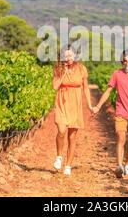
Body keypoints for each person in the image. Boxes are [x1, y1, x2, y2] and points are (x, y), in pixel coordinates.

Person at [92, 49, 128, 178]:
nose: (127, 62)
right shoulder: (117, 74)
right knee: (120, 137)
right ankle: (119, 166)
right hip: (121, 112)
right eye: (124, 60)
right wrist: (97, 106)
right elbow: (108, 92)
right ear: (122, 61)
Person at [52, 44, 93, 176]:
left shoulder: (81, 69)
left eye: (70, 55)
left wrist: (90, 105)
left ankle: (68, 165)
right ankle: (59, 156)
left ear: (75, 55)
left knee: (72, 136)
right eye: (66, 55)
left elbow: (86, 87)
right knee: (61, 131)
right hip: (62, 102)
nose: (68, 58)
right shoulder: (58, 69)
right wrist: (63, 72)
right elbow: (55, 86)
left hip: (75, 103)